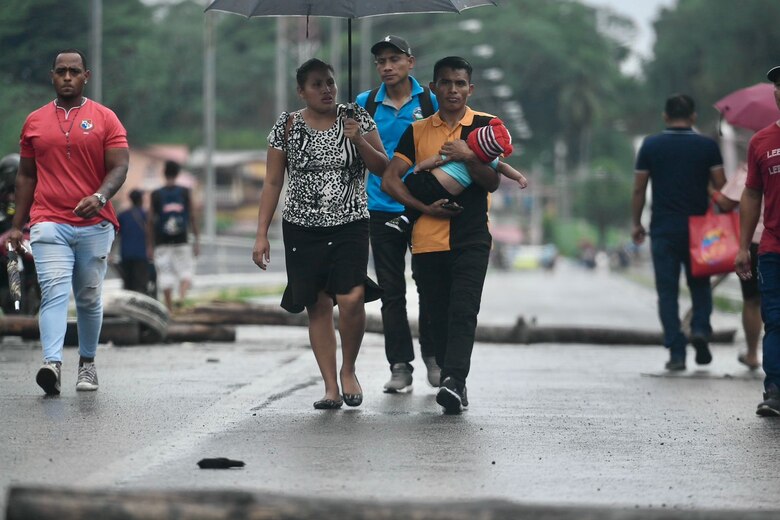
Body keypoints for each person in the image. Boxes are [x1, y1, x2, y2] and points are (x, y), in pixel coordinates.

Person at [253, 58, 387, 410]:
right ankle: (330, 386)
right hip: (301, 227)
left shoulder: (356, 117)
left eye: (330, 82)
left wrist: (358, 139)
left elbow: (382, 167)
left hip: (351, 221)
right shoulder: (286, 126)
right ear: (301, 91)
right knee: (318, 305)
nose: (326, 89)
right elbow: (271, 182)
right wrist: (261, 233)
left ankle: (349, 370)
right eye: (317, 84)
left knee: (352, 298)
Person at [381, 56, 502, 414]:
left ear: (470, 88)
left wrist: (469, 156)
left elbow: (493, 180)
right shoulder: (417, 130)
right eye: (446, 83)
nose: (453, 90)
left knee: (464, 310)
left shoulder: (486, 126)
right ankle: (449, 374)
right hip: (428, 240)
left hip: (472, 236)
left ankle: (454, 382)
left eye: (460, 84)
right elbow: (390, 179)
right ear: (433, 88)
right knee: (436, 313)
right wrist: (423, 206)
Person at [7, 49, 129, 395]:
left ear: (85, 76)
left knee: (89, 297)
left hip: (95, 224)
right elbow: (26, 177)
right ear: (52, 76)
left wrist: (101, 197)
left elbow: (119, 166)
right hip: (48, 222)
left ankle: (87, 364)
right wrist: (18, 225)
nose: (67, 77)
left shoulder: (105, 118)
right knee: (54, 292)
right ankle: (52, 363)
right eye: (61, 71)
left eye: (74, 71)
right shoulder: (34, 121)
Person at [355, 35, 440, 393]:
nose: (386, 67)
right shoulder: (364, 104)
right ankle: (400, 365)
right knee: (391, 291)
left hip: (422, 207)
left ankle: (434, 358)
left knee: (430, 286)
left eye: (394, 59)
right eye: (380, 62)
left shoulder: (430, 101)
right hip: (379, 207)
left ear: (410, 62)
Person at [631, 93, 726, 372]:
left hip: (663, 229)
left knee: (667, 292)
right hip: (701, 229)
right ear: (694, 117)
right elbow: (721, 187)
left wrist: (636, 223)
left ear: (665, 117)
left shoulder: (651, 145)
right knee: (700, 286)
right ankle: (699, 328)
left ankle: (676, 351)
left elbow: (639, 188)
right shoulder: (707, 146)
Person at [385, 117, 527, 233]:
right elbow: (505, 167)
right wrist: (519, 177)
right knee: (424, 202)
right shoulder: (490, 161)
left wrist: (420, 166)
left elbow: (437, 160)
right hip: (450, 194)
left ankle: (406, 218)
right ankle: (406, 219)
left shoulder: (458, 151)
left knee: (412, 181)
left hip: (431, 183)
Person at [735, 65, 780, 417]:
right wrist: (742, 246)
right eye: (778, 86)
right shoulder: (761, 142)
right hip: (773, 249)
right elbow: (751, 194)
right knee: (776, 320)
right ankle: (775, 390)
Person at [712, 163, 762, 370]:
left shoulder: (752, 165)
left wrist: (708, 188)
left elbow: (725, 203)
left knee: (752, 301)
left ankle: (752, 354)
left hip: (756, 240)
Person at [148, 160, 199, 312]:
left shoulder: (156, 194)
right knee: (186, 271)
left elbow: (150, 220)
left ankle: (169, 308)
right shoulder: (184, 192)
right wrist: (197, 240)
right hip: (182, 239)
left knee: (165, 274)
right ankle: (181, 298)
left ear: (164, 173)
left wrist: (150, 245)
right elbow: (192, 216)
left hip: (161, 241)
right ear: (177, 174)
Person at [117, 189, 151, 295]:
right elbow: (151, 233)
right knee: (141, 283)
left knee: (128, 283)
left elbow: (117, 234)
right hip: (142, 253)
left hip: (126, 253)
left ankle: (129, 306)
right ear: (141, 199)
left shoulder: (123, 215)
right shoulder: (146, 215)